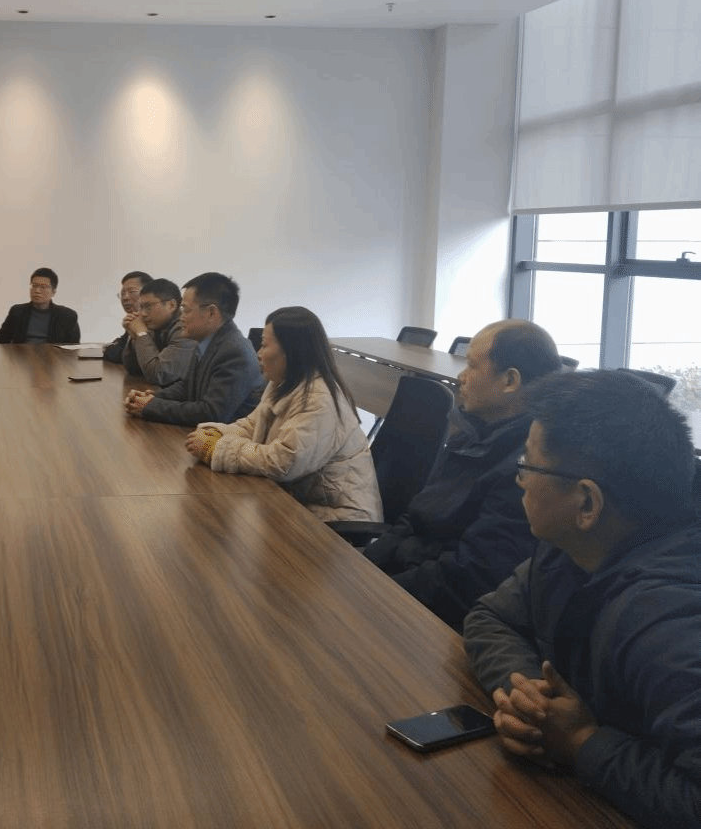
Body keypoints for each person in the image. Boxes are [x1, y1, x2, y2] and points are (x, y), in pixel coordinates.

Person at [465, 370, 701, 829]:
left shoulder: (667, 622)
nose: (519, 479)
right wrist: (531, 697)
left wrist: (580, 742)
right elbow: (491, 616)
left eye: (528, 465)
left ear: (587, 503)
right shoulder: (571, 548)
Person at [364, 319, 561, 630]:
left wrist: (375, 590)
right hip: (407, 585)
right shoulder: (468, 437)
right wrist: (366, 565)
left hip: (434, 620)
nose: (461, 377)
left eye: (471, 366)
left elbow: (469, 577)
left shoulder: (527, 471)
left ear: (510, 381)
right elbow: (415, 515)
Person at [185, 307, 381, 522]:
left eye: (264, 345)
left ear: (290, 351)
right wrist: (216, 434)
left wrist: (217, 450)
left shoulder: (319, 399)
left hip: (338, 519)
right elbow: (252, 425)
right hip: (299, 501)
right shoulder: (283, 382)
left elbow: (284, 462)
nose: (259, 353)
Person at [124, 272, 263, 426]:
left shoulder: (235, 352)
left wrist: (150, 406)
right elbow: (187, 387)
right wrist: (153, 397)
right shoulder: (206, 341)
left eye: (186, 310)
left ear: (211, 312)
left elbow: (212, 413)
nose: (181, 316)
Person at [116, 278, 197, 386]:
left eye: (148, 307)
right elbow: (133, 368)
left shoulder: (185, 330)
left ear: (171, 305)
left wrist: (141, 334)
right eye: (141, 307)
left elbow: (158, 375)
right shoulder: (156, 325)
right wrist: (134, 336)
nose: (143, 314)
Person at [0, 267, 81, 344]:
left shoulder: (67, 316)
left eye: (43, 287)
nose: (37, 291)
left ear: (53, 292)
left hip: (53, 358)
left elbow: (73, 348)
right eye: (34, 286)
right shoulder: (17, 311)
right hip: (21, 357)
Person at [103, 271, 152, 363]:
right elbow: (114, 352)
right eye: (122, 293)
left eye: (132, 292)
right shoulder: (135, 319)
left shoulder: (155, 321)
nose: (125, 298)